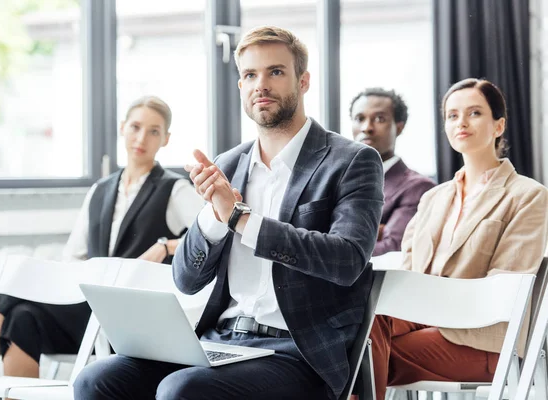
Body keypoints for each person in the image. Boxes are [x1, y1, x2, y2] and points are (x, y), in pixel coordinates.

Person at [74, 26, 384, 400]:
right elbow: (187, 279)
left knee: (182, 390)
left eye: (276, 72)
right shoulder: (228, 165)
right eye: (250, 75)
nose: (261, 84)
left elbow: (347, 260)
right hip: (218, 340)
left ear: (303, 81)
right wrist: (215, 218)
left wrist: (241, 218)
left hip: (297, 353)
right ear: (240, 86)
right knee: (97, 379)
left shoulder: (352, 161)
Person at [0, 96, 204, 379]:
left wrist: (166, 247)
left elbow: (211, 235)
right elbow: (72, 258)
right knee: (22, 317)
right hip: (89, 310)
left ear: (166, 139)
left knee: (9, 294)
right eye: (135, 127)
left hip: (130, 319)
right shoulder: (100, 190)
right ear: (123, 127)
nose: (141, 138)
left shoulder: (175, 189)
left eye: (154, 131)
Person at [370, 78, 548, 399]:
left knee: (353, 354)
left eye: (474, 113)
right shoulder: (432, 198)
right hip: (423, 322)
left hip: (485, 339)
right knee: (358, 326)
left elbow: (505, 290)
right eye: (452, 115)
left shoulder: (528, 196)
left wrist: (429, 304)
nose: (461, 122)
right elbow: (408, 275)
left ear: (499, 125)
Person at [350, 88, 435, 256]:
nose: (367, 127)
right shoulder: (338, 181)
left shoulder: (418, 188)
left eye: (379, 119)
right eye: (360, 119)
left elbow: (393, 249)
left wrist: (334, 246)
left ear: (399, 127)